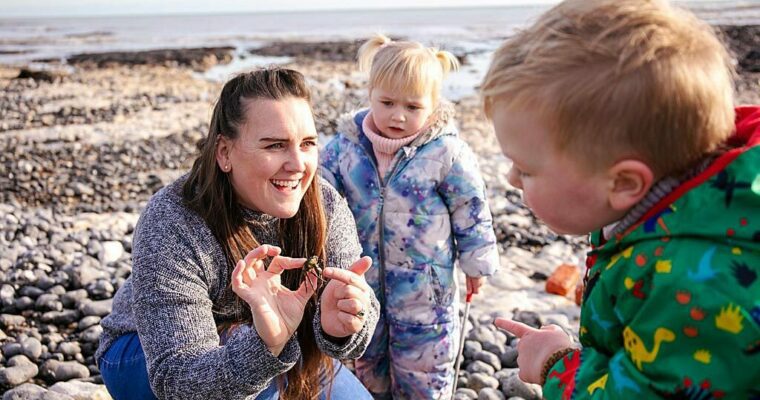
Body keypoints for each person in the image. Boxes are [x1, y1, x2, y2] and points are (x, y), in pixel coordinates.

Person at [480, 0, 760, 397]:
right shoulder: (668, 209)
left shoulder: (692, 286)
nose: (510, 179)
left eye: (525, 169)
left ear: (624, 183)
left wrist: (554, 365)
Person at [96, 67, 380, 400]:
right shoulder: (173, 219)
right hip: (142, 353)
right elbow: (175, 377)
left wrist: (346, 321)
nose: (297, 164)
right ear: (224, 153)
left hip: (275, 346)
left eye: (307, 144)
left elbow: (360, 316)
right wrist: (266, 343)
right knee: (262, 385)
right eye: (275, 145)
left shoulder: (324, 203)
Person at [320, 34, 500, 399]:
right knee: (365, 365)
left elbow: (472, 209)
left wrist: (476, 264)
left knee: (424, 372)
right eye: (386, 102)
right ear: (369, 92)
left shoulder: (446, 152)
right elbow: (318, 199)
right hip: (360, 287)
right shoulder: (344, 149)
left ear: (433, 106)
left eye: (413, 107)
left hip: (425, 295)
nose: (398, 116)